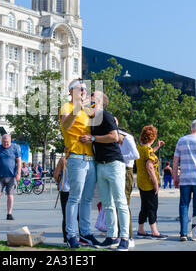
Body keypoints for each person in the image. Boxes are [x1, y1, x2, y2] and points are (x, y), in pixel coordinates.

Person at [80, 91, 131, 251]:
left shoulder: (106, 116)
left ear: (100, 101)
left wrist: (94, 138)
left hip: (114, 163)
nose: (90, 97)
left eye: (93, 95)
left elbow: (115, 137)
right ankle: (111, 236)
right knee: (107, 204)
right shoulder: (93, 119)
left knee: (120, 202)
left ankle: (125, 238)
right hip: (100, 164)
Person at [59, 78, 99, 249]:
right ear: (71, 92)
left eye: (85, 89)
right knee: (74, 198)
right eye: (80, 89)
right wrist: (77, 108)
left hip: (90, 157)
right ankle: (71, 235)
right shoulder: (67, 107)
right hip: (75, 156)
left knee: (87, 199)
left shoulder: (89, 110)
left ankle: (85, 233)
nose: (84, 92)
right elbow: (66, 126)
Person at [135, 125, 168, 240]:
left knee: (144, 206)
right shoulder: (148, 150)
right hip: (149, 184)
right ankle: (154, 231)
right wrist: (155, 183)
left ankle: (141, 229)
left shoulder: (140, 148)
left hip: (141, 182)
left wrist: (156, 147)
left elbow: (147, 155)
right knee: (153, 207)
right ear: (153, 137)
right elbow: (149, 166)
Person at [0, 134, 21, 221]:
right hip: (0, 176)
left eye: (7, 142)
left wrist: (18, 174)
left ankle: (9, 213)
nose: (5, 144)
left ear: (10, 141)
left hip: (11, 177)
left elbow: (19, 162)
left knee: (10, 195)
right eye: (4, 142)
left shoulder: (15, 148)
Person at [117, 127, 139, 248]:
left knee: (124, 204)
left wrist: (119, 156)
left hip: (126, 171)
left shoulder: (128, 139)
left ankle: (129, 236)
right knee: (118, 205)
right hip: (120, 169)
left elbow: (136, 155)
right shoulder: (120, 140)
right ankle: (121, 234)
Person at [54, 149, 70, 243]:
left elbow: (56, 175)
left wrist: (59, 183)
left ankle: (66, 237)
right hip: (76, 190)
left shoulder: (63, 160)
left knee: (66, 215)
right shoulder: (80, 160)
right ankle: (81, 236)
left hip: (65, 189)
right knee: (78, 216)